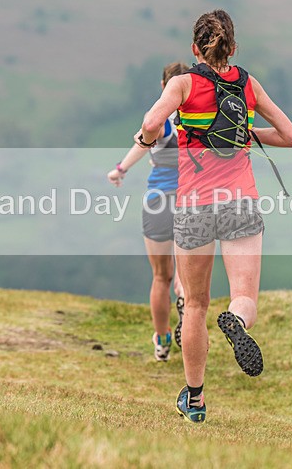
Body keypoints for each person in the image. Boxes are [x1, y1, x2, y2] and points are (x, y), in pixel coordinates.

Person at [134, 10, 292, 422]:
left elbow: (153, 122)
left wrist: (145, 138)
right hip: (240, 200)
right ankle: (237, 320)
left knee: (195, 305)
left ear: (195, 48)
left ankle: (195, 399)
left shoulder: (183, 83)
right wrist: (244, 130)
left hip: (193, 205)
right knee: (244, 296)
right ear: (234, 48)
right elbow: (291, 138)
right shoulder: (247, 84)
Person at [108, 62, 188, 362]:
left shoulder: (157, 121)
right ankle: (183, 298)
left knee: (159, 276)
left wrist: (119, 170)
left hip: (156, 199)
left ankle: (163, 340)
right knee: (185, 276)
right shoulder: (193, 123)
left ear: (163, 86)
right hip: (188, 199)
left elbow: (142, 145)